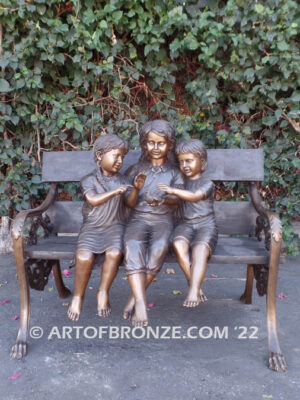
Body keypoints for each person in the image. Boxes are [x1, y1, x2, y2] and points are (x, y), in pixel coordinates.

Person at [67, 134, 145, 321]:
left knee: (115, 252)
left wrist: (135, 189)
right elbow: (93, 199)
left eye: (122, 157)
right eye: (115, 156)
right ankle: (78, 296)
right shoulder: (89, 180)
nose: (119, 161)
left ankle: (103, 292)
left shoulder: (123, 180)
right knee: (83, 256)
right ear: (99, 155)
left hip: (115, 226)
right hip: (93, 227)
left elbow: (130, 204)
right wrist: (114, 192)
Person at [123, 120, 184, 326]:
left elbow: (178, 201)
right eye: (151, 143)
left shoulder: (174, 172)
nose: (156, 148)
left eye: (161, 143)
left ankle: (134, 298)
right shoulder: (135, 169)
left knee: (159, 247)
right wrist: (137, 190)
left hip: (162, 220)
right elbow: (129, 204)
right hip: (138, 218)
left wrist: (163, 199)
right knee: (132, 245)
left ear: (170, 145)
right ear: (144, 144)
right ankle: (141, 302)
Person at [158, 139, 218, 307]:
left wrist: (173, 190)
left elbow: (195, 196)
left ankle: (192, 290)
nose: (184, 165)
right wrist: (160, 199)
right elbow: (173, 200)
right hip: (185, 225)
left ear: (203, 162)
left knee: (199, 250)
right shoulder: (181, 182)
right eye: (181, 161)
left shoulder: (207, 183)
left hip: (206, 225)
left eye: (189, 161)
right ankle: (194, 284)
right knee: (178, 243)